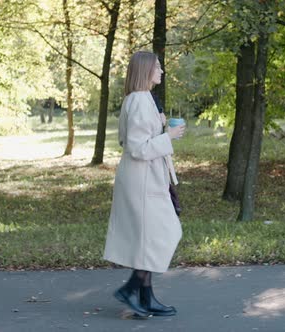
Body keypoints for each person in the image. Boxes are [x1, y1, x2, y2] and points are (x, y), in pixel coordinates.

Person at [103, 51, 185, 318]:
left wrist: (161, 131)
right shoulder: (138, 100)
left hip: (145, 177)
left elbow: (138, 140)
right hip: (141, 180)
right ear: (145, 70)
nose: (161, 70)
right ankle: (130, 289)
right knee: (164, 232)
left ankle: (146, 298)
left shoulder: (141, 99)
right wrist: (169, 136)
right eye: (157, 66)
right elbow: (137, 147)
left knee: (147, 239)